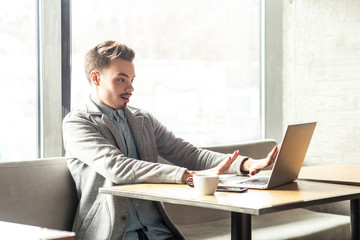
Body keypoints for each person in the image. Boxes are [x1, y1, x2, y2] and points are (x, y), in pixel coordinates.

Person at [62, 40, 279, 240]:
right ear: (96, 78)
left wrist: (247, 164)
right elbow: (117, 167)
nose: (130, 88)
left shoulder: (142, 119)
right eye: (121, 79)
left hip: (159, 233)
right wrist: (186, 175)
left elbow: (188, 154)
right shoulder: (77, 124)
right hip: (113, 234)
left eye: (132, 79)